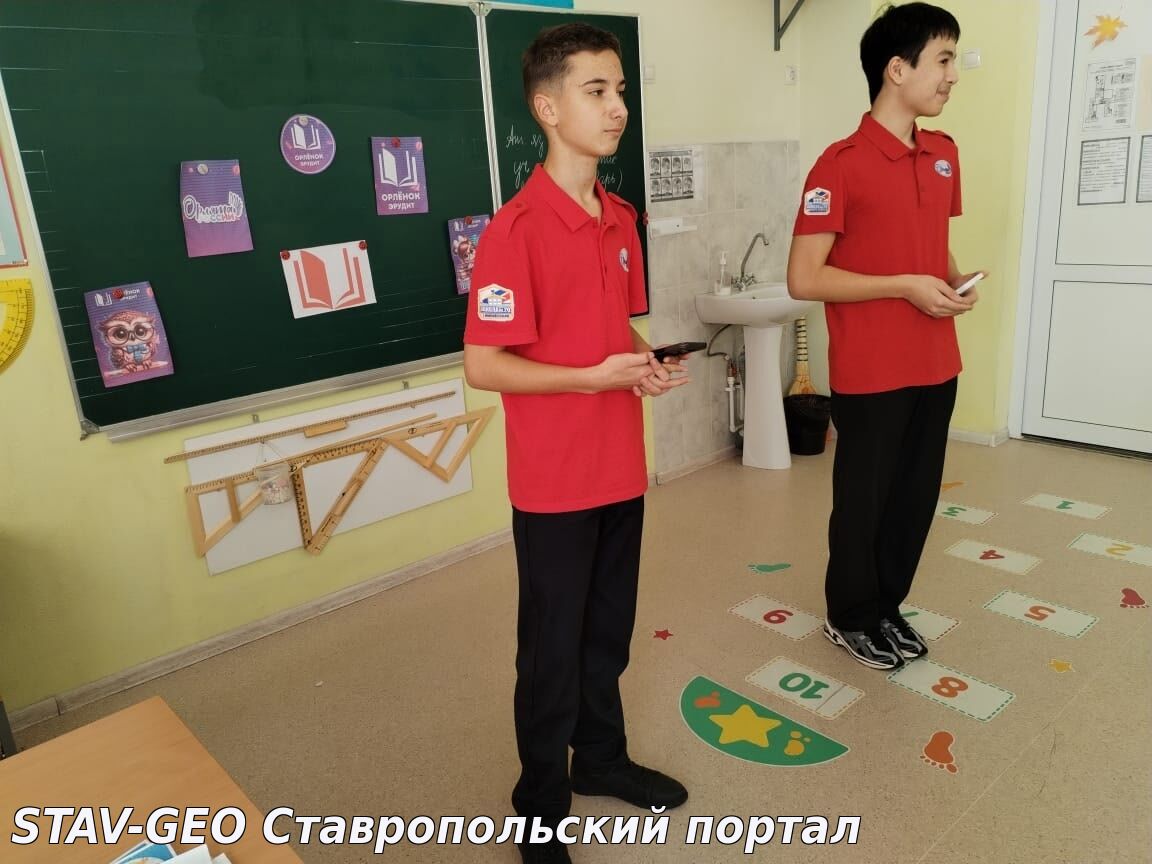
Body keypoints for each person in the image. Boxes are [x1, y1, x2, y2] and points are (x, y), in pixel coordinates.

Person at [463, 22, 690, 864]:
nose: (617, 107)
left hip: (619, 466)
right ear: (547, 108)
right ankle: (539, 805)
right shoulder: (514, 230)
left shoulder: (619, 218)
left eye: (620, 90)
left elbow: (609, 327)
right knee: (551, 653)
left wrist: (640, 363)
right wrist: (590, 378)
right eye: (597, 91)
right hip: (555, 481)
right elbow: (484, 365)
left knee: (607, 634)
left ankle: (599, 759)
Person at [787, 2, 984, 670]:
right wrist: (904, 285)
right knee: (864, 503)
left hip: (937, 361)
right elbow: (804, 277)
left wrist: (952, 280)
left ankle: (885, 607)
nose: (953, 74)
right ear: (897, 69)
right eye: (943, 59)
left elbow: (931, 241)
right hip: (872, 369)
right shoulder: (838, 165)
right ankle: (849, 615)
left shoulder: (944, 154)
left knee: (914, 500)